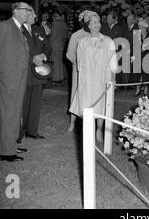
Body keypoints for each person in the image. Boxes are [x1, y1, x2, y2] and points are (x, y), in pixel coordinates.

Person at [0, 2, 31, 162]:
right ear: (16, 11)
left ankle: (11, 145)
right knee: (8, 113)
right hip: (8, 77)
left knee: (15, 113)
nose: (28, 12)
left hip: (19, 77)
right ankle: (5, 152)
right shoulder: (5, 26)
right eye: (26, 10)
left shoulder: (19, 28)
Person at [69, 11, 117, 142]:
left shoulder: (108, 41)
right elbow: (80, 63)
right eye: (94, 23)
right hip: (87, 79)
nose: (97, 25)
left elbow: (113, 62)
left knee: (101, 104)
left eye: (99, 22)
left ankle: (99, 130)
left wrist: (112, 79)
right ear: (88, 25)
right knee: (86, 104)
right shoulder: (82, 42)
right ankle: (87, 131)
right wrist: (81, 80)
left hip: (102, 78)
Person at [18, 8, 52, 142]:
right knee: (22, 104)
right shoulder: (18, 30)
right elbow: (17, 50)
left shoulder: (38, 29)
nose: (36, 15)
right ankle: (18, 133)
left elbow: (48, 46)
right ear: (25, 14)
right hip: (24, 72)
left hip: (39, 72)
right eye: (32, 13)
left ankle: (32, 131)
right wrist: (32, 58)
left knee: (35, 102)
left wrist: (43, 55)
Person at [65, 11, 92, 133]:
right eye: (87, 19)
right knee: (76, 95)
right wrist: (78, 63)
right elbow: (69, 54)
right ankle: (72, 123)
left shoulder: (97, 35)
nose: (89, 21)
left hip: (93, 72)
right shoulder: (76, 35)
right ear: (82, 22)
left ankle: (90, 123)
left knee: (91, 96)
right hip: (78, 71)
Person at [133, 18, 149, 96]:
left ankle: (146, 90)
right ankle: (138, 89)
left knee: (146, 74)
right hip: (138, 56)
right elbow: (134, 46)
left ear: (145, 27)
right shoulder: (136, 34)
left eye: (141, 27)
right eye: (139, 27)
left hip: (147, 56)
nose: (140, 29)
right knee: (137, 74)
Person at [50, 12, 68, 82]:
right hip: (61, 45)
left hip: (54, 45)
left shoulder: (55, 23)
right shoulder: (64, 23)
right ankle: (62, 77)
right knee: (60, 62)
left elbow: (53, 35)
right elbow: (65, 36)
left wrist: (49, 41)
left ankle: (56, 78)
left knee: (55, 62)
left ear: (55, 15)